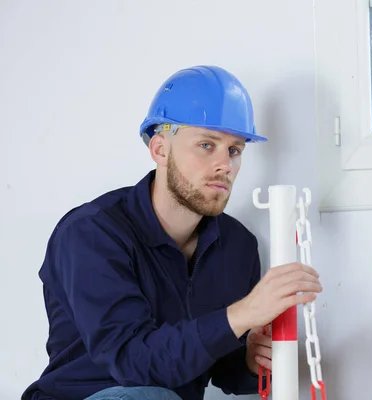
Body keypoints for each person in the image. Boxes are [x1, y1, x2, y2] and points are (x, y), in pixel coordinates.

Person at [22, 65, 323, 400]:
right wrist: (243, 313)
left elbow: (217, 366)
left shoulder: (236, 246)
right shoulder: (92, 233)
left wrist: (249, 361)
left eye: (234, 150)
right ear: (160, 149)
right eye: (207, 145)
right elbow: (132, 361)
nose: (225, 165)